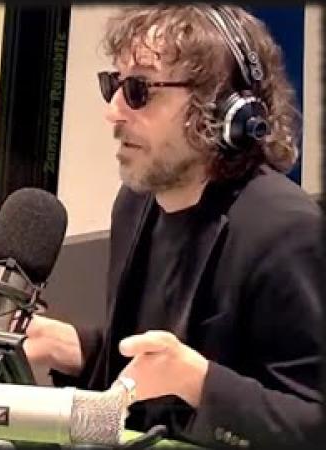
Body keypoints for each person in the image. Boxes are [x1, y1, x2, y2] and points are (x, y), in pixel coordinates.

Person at [20, 5, 323, 448]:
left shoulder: (285, 231)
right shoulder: (136, 205)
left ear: (221, 109)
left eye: (139, 90)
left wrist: (201, 383)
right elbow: (153, 377)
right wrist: (77, 348)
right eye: (114, 85)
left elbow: (314, 422)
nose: (113, 112)